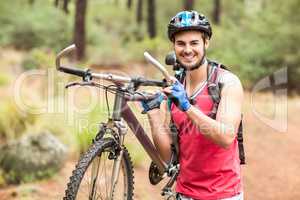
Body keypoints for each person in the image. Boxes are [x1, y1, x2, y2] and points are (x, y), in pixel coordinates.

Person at [142, 11, 244, 200]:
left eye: (194, 43)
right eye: (181, 43)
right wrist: (154, 113)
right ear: (174, 46)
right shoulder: (175, 86)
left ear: (206, 43)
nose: (187, 49)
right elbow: (167, 156)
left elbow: (226, 137)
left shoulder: (227, 83)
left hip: (222, 195)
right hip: (185, 193)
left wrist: (187, 107)